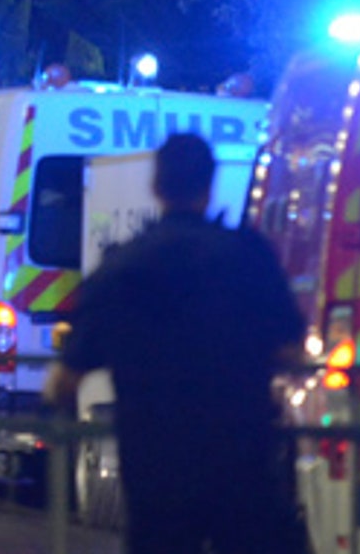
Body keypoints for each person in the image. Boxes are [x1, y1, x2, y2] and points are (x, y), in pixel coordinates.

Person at [45, 133, 308, 554]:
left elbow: (65, 379)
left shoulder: (122, 268)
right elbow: (290, 349)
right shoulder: (248, 257)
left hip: (156, 463)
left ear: (156, 185)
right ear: (210, 184)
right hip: (239, 456)